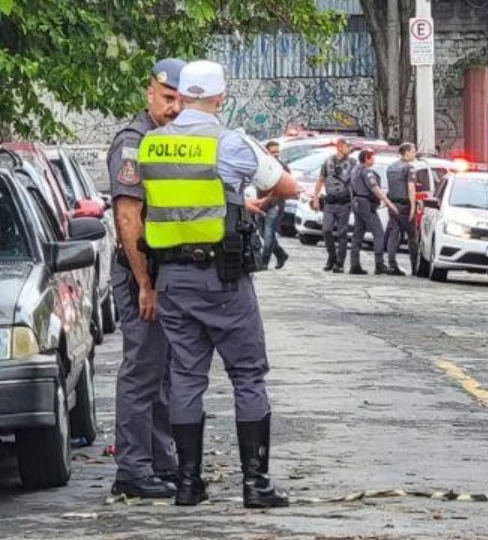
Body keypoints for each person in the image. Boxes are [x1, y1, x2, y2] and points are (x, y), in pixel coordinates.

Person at [138, 60, 298, 508]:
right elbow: (289, 186)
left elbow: (177, 201)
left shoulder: (151, 145)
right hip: (223, 279)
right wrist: (252, 199)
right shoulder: (230, 142)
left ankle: (187, 484)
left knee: (186, 379)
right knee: (248, 376)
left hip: (171, 278)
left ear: (181, 96)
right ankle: (256, 485)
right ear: (221, 98)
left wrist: (229, 202)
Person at [107, 58, 185, 500]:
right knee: (142, 371)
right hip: (143, 273)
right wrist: (144, 284)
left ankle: (160, 459)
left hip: (166, 273)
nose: (174, 107)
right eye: (167, 97)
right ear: (149, 93)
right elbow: (127, 215)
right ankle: (133, 469)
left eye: (180, 99)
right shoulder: (133, 143)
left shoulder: (168, 141)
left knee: (163, 371)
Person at [311, 138, 355, 273]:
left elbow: (355, 181)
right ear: (340, 147)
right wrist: (316, 198)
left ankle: (340, 263)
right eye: (348, 146)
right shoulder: (328, 161)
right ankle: (332, 256)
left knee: (342, 233)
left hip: (344, 202)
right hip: (330, 202)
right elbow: (320, 179)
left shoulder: (352, 163)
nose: (350, 148)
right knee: (326, 230)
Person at [350, 148, 395, 274]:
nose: (374, 160)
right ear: (367, 158)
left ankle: (354, 264)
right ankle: (379, 264)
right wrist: (388, 202)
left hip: (357, 202)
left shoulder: (354, 170)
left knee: (357, 234)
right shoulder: (367, 172)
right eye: (372, 157)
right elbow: (375, 188)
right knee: (378, 233)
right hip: (366, 203)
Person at [384, 142, 419, 276]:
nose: (414, 153)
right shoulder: (409, 168)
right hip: (404, 205)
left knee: (394, 234)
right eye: (413, 151)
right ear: (406, 152)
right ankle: (415, 266)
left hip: (393, 205)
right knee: (412, 236)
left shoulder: (391, 167)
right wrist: (413, 207)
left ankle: (392, 264)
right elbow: (411, 188)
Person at [259, 141, 289, 269]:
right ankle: (280, 253)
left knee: (268, 234)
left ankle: (263, 261)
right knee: (261, 232)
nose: (276, 155)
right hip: (261, 203)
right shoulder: (261, 164)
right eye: (273, 152)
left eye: (278, 152)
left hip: (275, 204)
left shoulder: (282, 167)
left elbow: (288, 184)